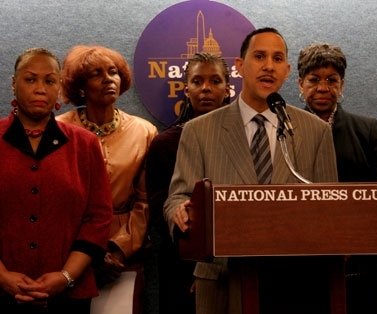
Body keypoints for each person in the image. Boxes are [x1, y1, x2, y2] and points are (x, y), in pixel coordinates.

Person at [164, 27, 338, 314]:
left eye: (278, 58)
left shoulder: (315, 131)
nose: (269, 66)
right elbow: (176, 197)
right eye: (260, 56)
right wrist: (179, 211)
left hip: (295, 281)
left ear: (286, 70)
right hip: (223, 279)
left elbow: (330, 208)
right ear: (240, 66)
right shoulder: (198, 130)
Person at [0, 47, 113, 314]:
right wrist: (2, 277)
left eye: (49, 80)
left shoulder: (84, 144)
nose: (40, 88)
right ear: (14, 85)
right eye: (30, 79)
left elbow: (98, 218)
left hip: (69, 296)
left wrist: (65, 277)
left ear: (59, 87)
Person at [56, 45, 158, 312]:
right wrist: (88, 257)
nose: (108, 79)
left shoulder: (144, 131)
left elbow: (147, 201)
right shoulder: (58, 130)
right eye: (96, 74)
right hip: (67, 253)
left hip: (124, 256)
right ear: (80, 85)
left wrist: (118, 250)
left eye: (113, 72)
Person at [297, 42, 377, 314]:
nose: (323, 88)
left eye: (331, 80)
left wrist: (349, 239)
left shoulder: (366, 129)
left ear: (342, 84)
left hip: (360, 261)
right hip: (302, 260)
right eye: (314, 80)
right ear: (300, 85)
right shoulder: (283, 131)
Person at [144, 52, 231, 314]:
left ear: (227, 89)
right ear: (186, 89)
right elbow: (161, 215)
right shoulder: (164, 144)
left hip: (236, 265)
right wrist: (197, 271)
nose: (206, 88)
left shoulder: (247, 140)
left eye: (215, 81)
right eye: (197, 81)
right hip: (180, 266)